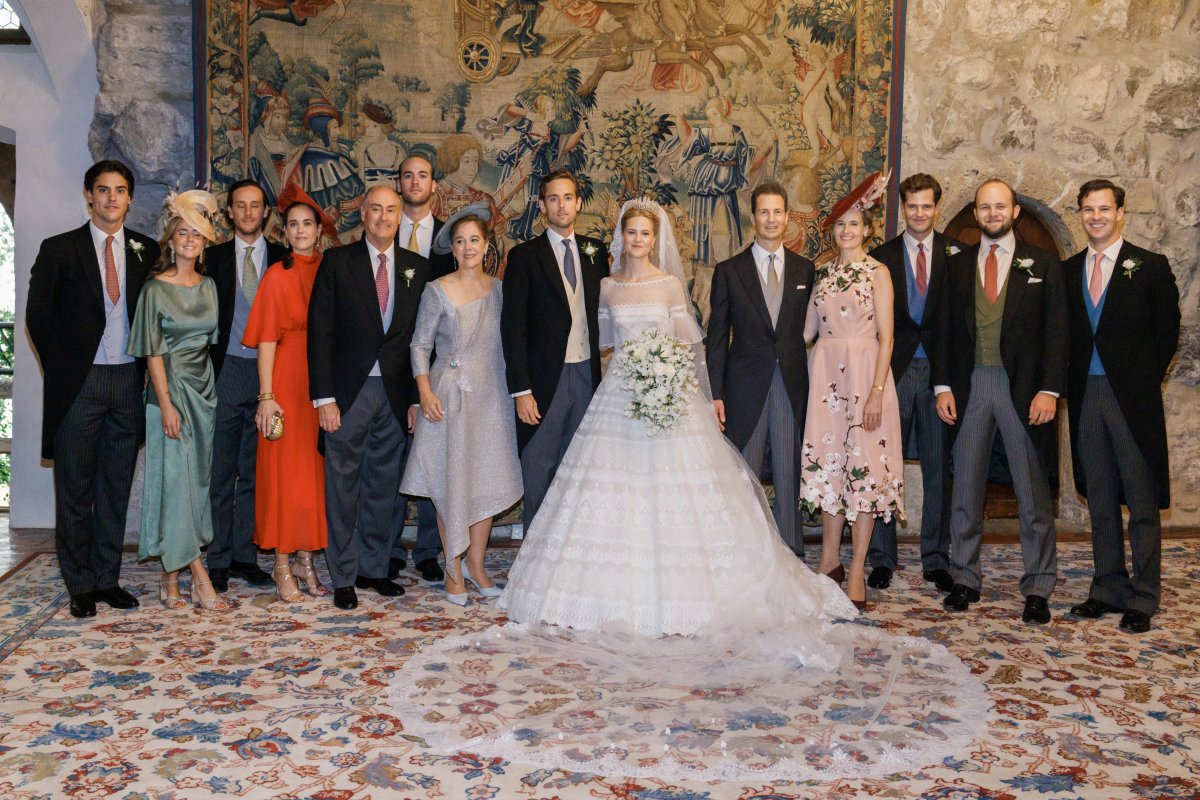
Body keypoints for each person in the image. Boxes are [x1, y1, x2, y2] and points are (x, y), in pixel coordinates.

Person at [390, 199, 986, 782]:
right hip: (620, 400)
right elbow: (606, 347)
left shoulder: (671, 287)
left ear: (657, 238)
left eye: (647, 234)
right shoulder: (607, 290)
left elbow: (689, 346)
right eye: (632, 234)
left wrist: (675, 385)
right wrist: (634, 375)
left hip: (669, 401)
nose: (639, 241)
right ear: (622, 238)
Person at [27, 159, 159, 618]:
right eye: (102, 190)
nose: (110, 199)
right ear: (89, 195)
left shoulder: (147, 248)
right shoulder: (59, 249)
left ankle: (107, 578)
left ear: (129, 198)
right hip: (80, 383)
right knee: (75, 487)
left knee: (115, 486)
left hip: (127, 379)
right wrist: (67, 367)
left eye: (120, 191)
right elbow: (37, 318)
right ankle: (79, 583)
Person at [933, 179, 1067, 624]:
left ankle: (1038, 586)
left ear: (1014, 213)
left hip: (1024, 388)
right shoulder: (957, 265)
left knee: (1032, 492)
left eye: (1000, 206)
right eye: (984, 207)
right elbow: (944, 331)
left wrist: (1049, 389)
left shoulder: (1044, 265)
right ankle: (965, 578)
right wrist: (942, 386)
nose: (992, 213)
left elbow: (1056, 333)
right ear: (976, 214)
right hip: (970, 385)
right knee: (966, 487)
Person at [1064, 179, 1180, 634]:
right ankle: (1107, 587)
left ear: (1120, 213)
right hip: (1086, 396)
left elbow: (1167, 332)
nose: (1096, 216)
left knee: (1141, 497)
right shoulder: (1069, 268)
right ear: (1080, 214)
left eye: (1104, 209)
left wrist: (1139, 381)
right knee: (1101, 494)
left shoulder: (1149, 266)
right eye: (1088, 209)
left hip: (1131, 398)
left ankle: (1144, 595)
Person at [307, 185, 430, 610]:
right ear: (362, 215)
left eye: (391, 210)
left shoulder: (418, 267)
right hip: (347, 394)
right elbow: (320, 333)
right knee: (342, 487)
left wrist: (415, 397)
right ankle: (342, 575)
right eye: (375, 209)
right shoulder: (338, 262)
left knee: (383, 487)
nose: (383, 217)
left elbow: (421, 340)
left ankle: (373, 569)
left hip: (394, 396)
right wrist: (323, 399)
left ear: (401, 217)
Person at [400, 204, 522, 605]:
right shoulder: (437, 290)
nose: (468, 247)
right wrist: (424, 392)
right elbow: (419, 345)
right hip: (448, 395)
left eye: (475, 240)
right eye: (460, 241)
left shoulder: (500, 291)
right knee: (450, 480)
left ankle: (476, 563)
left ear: (487, 246)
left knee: (486, 477)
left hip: (492, 396)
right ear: (452, 248)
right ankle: (452, 566)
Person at [801, 172, 903, 610]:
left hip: (865, 379)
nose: (847, 231)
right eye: (841, 224)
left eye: (855, 224)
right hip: (826, 381)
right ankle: (829, 561)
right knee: (830, 468)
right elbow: (805, 330)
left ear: (867, 229)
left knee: (862, 472)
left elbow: (888, 336)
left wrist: (877, 391)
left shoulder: (878, 272)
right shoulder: (822, 275)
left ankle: (857, 568)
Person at [127, 190, 226, 612]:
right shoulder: (155, 290)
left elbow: (210, 345)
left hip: (204, 394)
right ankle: (200, 578)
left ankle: (170, 578)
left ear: (204, 243)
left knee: (191, 485)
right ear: (171, 239)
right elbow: (152, 352)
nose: (189, 240)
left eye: (197, 235)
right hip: (168, 393)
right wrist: (165, 404)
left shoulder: (209, 287)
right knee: (176, 480)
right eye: (182, 232)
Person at [707, 181, 815, 554]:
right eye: (764, 212)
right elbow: (717, 339)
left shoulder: (806, 270)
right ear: (753, 217)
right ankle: (742, 555)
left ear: (787, 217)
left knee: (788, 474)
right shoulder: (729, 271)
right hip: (743, 389)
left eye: (778, 212)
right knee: (743, 476)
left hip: (790, 386)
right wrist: (715, 395)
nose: (771, 219)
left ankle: (791, 555)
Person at [865, 174, 960, 593]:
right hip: (893, 373)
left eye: (926, 206)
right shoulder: (881, 257)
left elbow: (960, 325)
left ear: (936, 208)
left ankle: (936, 559)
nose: (919, 213)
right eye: (912, 206)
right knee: (885, 466)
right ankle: (882, 558)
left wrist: (950, 382)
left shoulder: (957, 255)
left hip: (939, 378)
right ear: (901, 208)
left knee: (939, 468)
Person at [243, 189, 338, 602]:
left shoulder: (331, 270)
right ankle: (281, 562)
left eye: (307, 224)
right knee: (284, 476)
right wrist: (266, 396)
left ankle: (305, 558)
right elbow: (265, 339)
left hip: (321, 386)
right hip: (285, 383)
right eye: (293, 224)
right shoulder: (278, 274)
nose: (300, 231)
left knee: (314, 477)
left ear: (319, 231)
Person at [500, 170, 607, 530]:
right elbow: (512, 329)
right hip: (544, 382)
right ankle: (533, 563)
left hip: (586, 375)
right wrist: (521, 391)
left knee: (576, 473)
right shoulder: (524, 257)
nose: (561, 205)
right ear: (542, 206)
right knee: (539, 471)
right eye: (553, 199)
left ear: (578, 203)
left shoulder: (596, 252)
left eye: (568, 198)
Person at [205, 179, 285, 594]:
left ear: (266, 212)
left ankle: (245, 556)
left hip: (270, 374)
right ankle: (217, 557)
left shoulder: (284, 259)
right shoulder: (211, 258)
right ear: (229, 213)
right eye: (241, 205)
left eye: (256, 205)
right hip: (225, 370)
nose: (249, 212)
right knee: (221, 470)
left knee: (256, 471)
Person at [387, 155, 450, 584]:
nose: (414, 182)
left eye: (422, 175)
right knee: (391, 455)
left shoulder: (450, 238)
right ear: (398, 183)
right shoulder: (381, 230)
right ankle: (389, 547)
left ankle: (429, 549)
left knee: (434, 456)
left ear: (433, 185)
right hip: (390, 362)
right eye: (407, 175)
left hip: (439, 360)